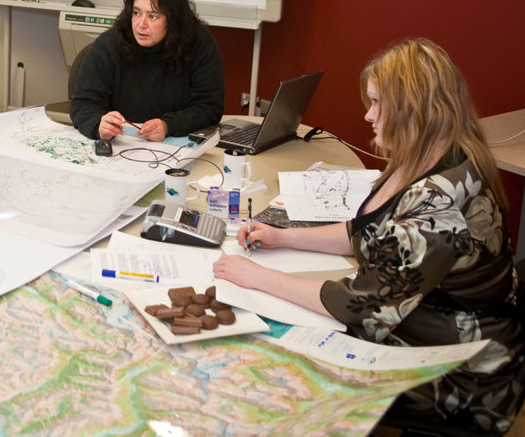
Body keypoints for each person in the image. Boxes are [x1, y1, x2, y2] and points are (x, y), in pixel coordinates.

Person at [213, 38, 525, 435]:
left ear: (412, 109)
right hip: (433, 324)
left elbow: (356, 305)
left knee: (277, 372)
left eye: (378, 103)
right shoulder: (432, 152)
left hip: (462, 370)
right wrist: (283, 236)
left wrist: (254, 276)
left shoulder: (434, 204)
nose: (368, 115)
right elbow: (366, 232)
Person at [70, 0, 224, 144]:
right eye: (136, 13)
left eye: (153, 16)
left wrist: (168, 125)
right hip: (121, 144)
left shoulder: (198, 43)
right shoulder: (109, 44)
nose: (141, 24)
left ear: (173, 20)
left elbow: (209, 107)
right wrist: (98, 124)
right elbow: (82, 104)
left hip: (175, 146)